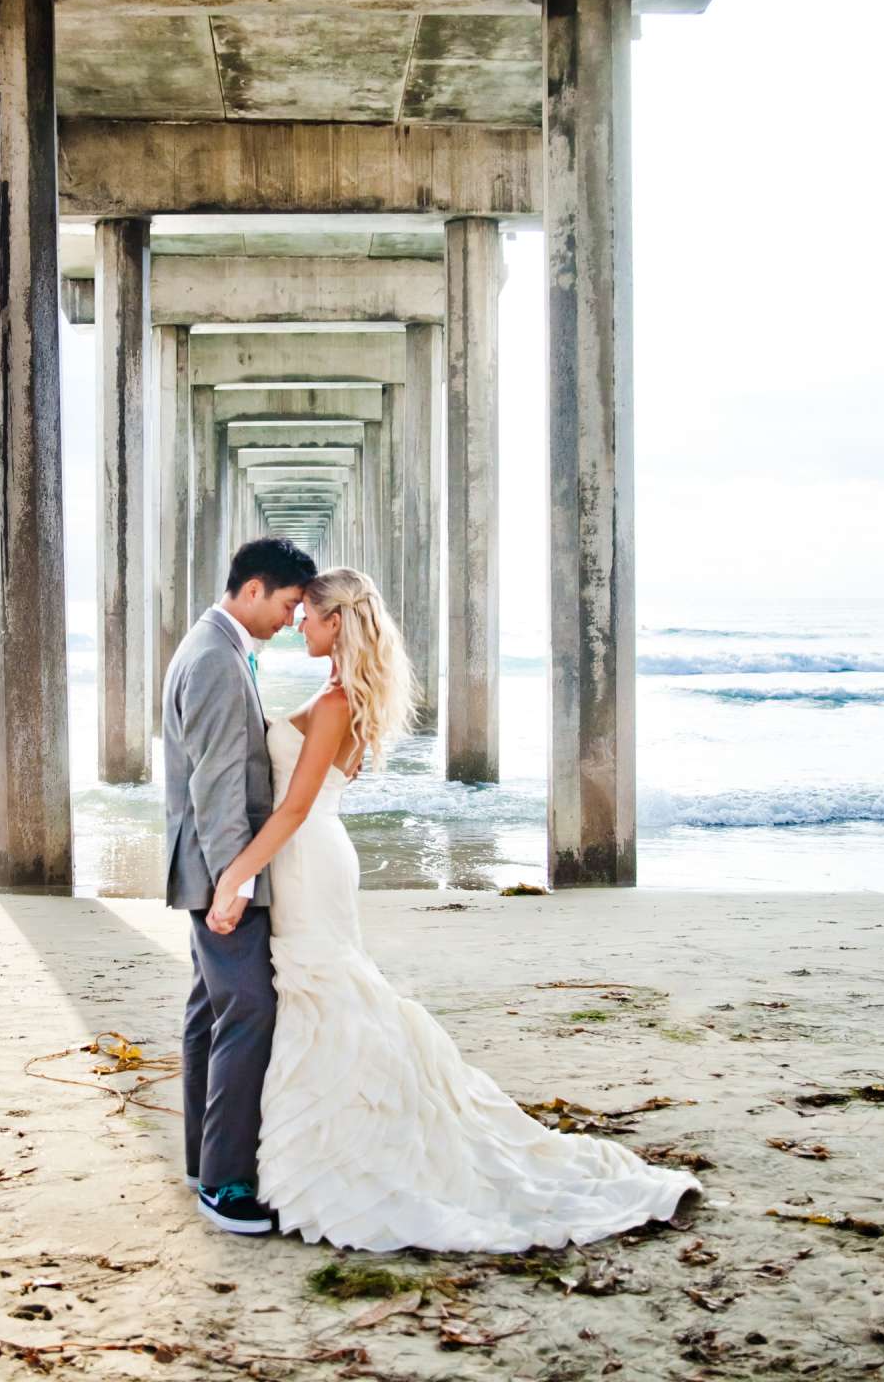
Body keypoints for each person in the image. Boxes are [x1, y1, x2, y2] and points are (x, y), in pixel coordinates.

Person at [205, 567, 702, 1252]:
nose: (299, 624)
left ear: (337, 623)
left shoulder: (332, 703)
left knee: (322, 989)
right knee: (325, 990)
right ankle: (326, 1135)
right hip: (320, 851)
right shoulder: (340, 695)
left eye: (309, 616)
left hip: (307, 857)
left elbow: (292, 807)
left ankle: (350, 1146)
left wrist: (234, 875)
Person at [161, 536, 317, 1235]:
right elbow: (218, 786)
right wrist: (237, 882)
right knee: (249, 1011)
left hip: (208, 867)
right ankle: (225, 1184)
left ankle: (201, 1159)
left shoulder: (213, 646)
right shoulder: (218, 659)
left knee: (211, 1010)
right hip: (220, 870)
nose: (291, 619)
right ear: (252, 589)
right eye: (287, 605)